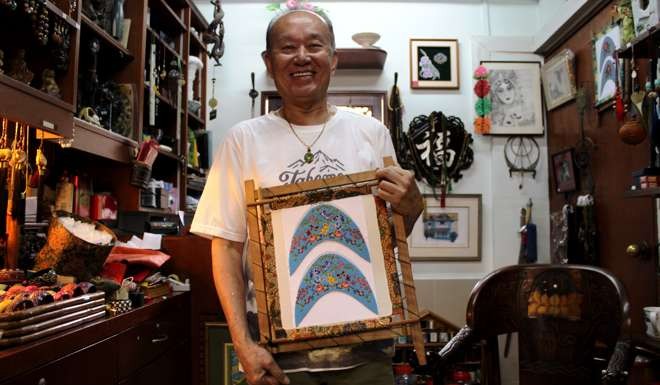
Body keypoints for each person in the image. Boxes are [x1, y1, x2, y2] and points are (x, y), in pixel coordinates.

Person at [191, 6, 423, 385]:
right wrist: (243, 343)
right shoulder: (243, 140)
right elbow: (227, 247)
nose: (302, 57)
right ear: (269, 61)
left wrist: (413, 208)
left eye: (314, 46)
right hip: (278, 360)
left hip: (365, 355)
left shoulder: (371, 133)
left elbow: (385, 241)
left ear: (333, 59)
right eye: (287, 47)